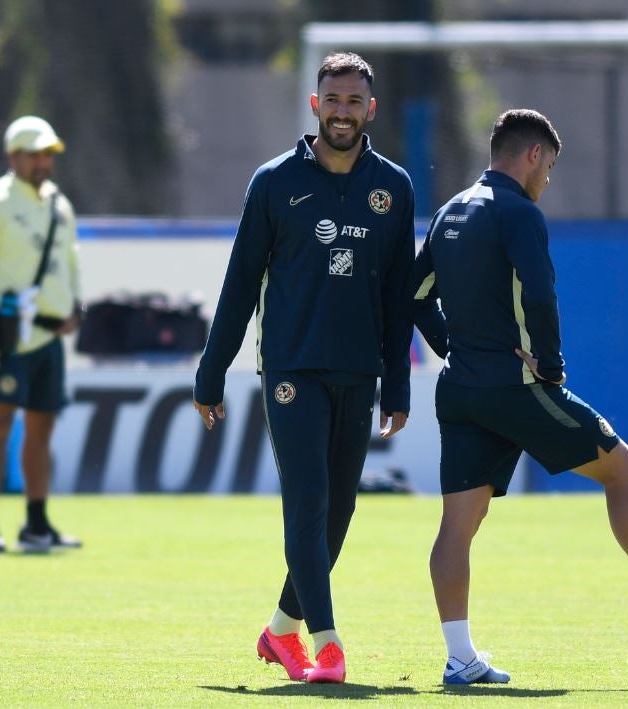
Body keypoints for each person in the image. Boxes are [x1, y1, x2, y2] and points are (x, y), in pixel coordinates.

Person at [407, 109, 628, 685]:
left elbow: (413, 296)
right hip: (514, 386)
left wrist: (450, 345)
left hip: (460, 388)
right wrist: (551, 365)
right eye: (550, 167)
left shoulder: (450, 210)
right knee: (624, 468)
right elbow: (540, 292)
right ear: (533, 155)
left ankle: (459, 658)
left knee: (457, 526)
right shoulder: (518, 211)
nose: (548, 180)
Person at [193, 52, 414, 684]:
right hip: (290, 370)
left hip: (359, 370)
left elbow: (398, 297)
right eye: (332, 100)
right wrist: (211, 375)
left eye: (354, 101)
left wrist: (395, 382)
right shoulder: (273, 182)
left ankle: (281, 631)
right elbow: (239, 287)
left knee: (338, 514)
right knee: (309, 503)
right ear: (314, 105)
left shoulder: (393, 187)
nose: (342, 112)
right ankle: (328, 645)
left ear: (370, 110)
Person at [0, 115, 84, 554]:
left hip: (49, 337)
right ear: (12, 156)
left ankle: (36, 523)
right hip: (9, 334)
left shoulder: (58, 204)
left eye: (47, 154)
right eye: (34, 153)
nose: (42, 162)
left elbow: (70, 262)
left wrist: (77, 306)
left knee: (42, 428)